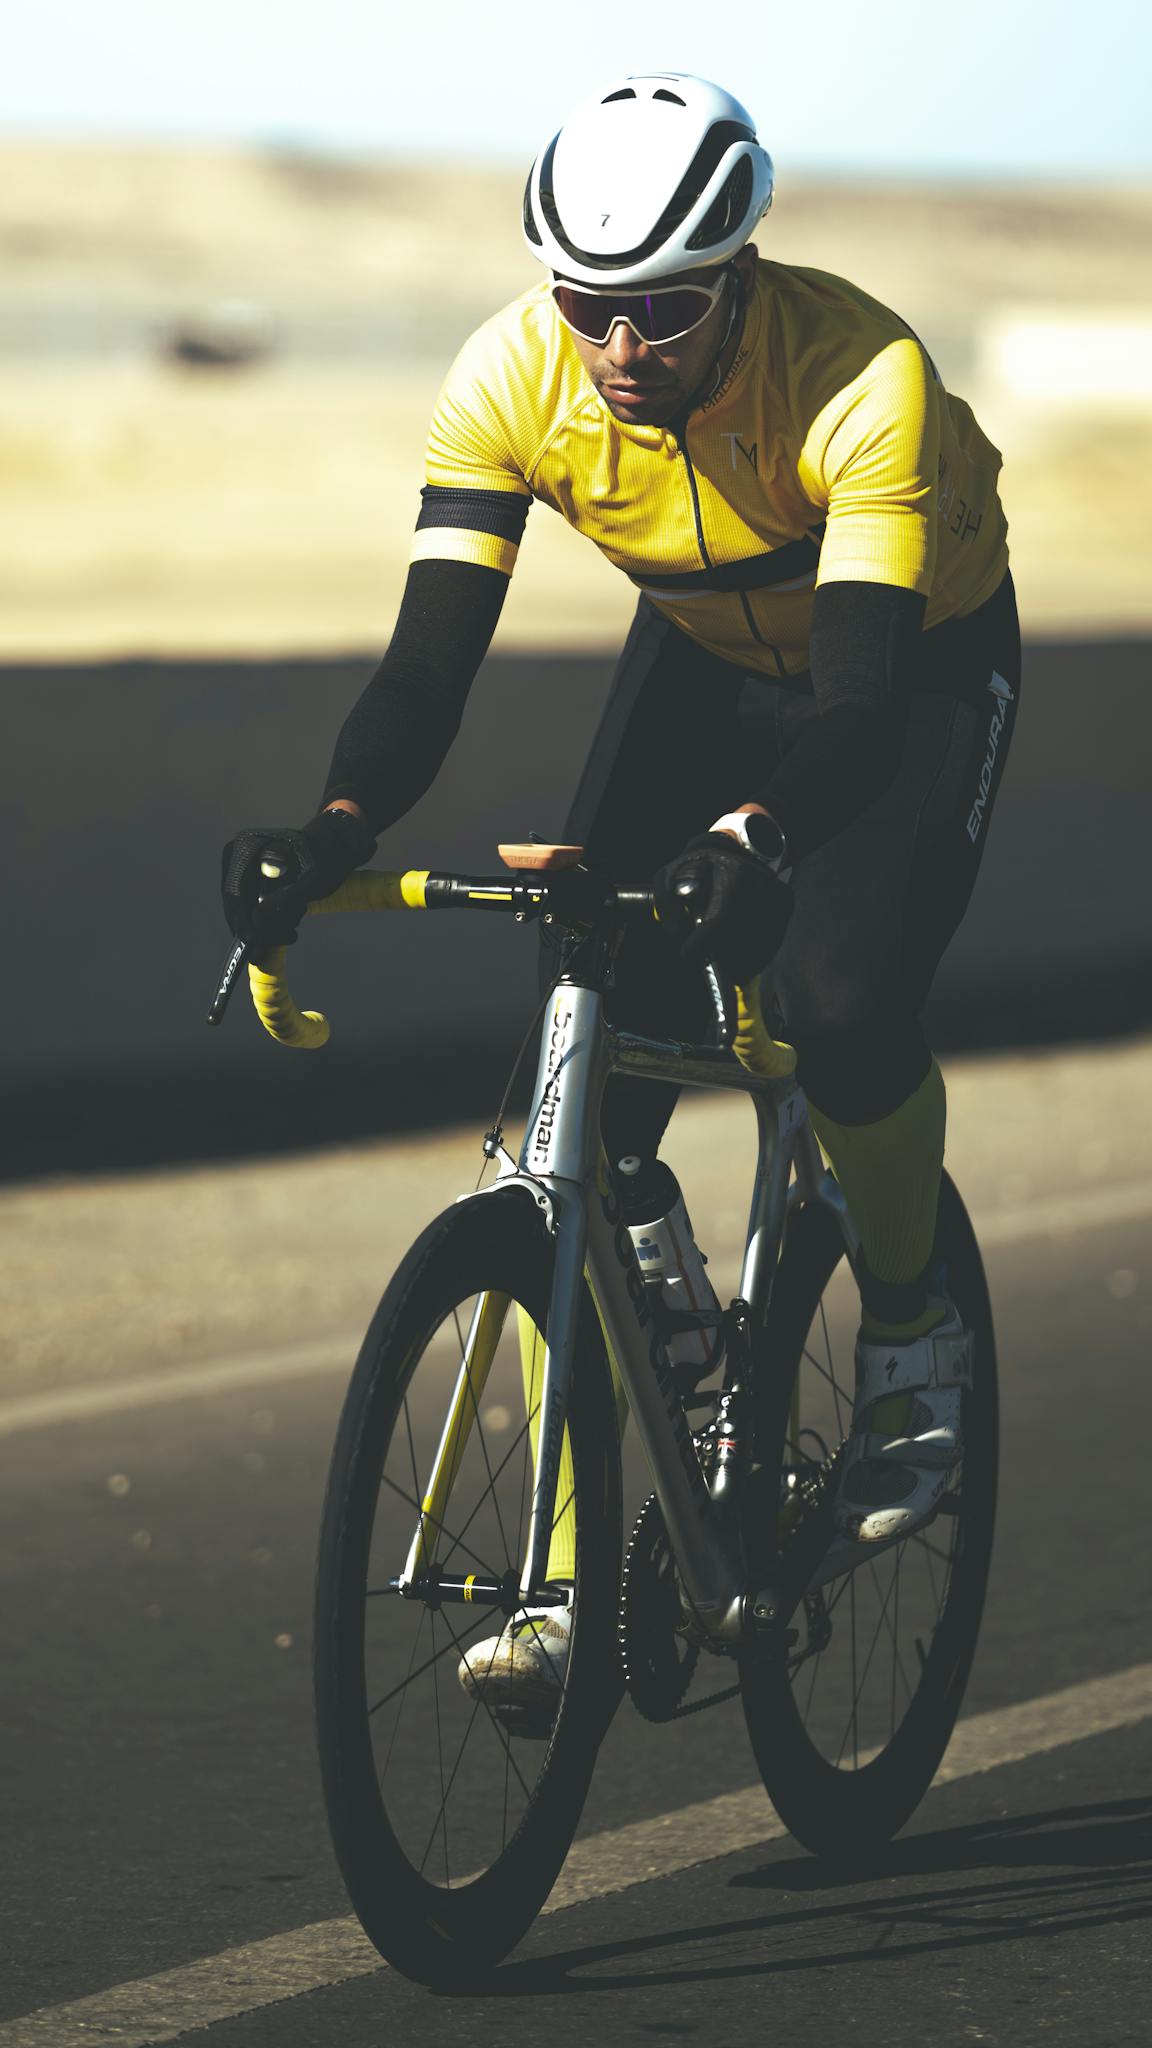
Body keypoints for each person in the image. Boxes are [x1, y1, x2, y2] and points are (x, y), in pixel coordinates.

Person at [221, 73, 1020, 1715]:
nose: (622, 347)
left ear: (741, 274)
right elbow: (426, 670)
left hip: (909, 665)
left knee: (842, 1001)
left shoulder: (863, 374)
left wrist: (758, 837)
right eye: (590, 307)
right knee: (580, 1050)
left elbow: (859, 712)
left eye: (664, 308)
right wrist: (332, 823)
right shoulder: (510, 373)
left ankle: (912, 1320)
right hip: (707, 654)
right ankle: (575, 1560)